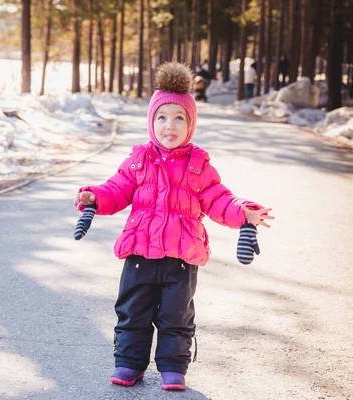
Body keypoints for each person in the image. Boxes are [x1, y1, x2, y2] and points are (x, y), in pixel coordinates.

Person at [74, 62, 273, 391]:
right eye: (162, 118)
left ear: (190, 124)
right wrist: (93, 196)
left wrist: (243, 212)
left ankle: (172, 366)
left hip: (181, 257)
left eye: (180, 118)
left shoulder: (198, 164)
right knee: (132, 311)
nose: (171, 125)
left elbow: (218, 198)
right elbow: (117, 189)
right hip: (139, 253)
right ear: (152, 122)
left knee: (176, 316)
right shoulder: (138, 160)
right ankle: (128, 362)